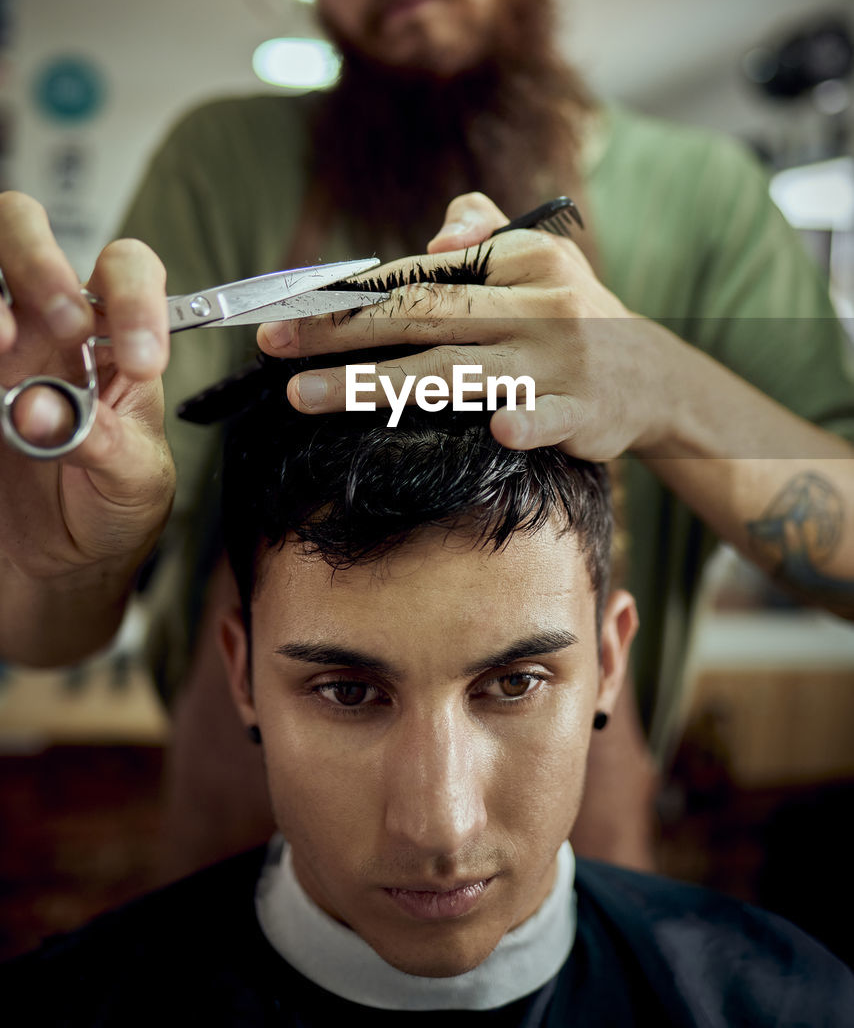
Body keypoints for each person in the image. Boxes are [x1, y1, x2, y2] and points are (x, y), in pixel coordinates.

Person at [0, 0, 853, 872]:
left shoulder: (705, 199)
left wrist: (656, 384)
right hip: (239, 875)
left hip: (574, 893)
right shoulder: (223, 165)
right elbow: (49, 633)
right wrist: (55, 548)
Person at [2, 344, 852, 1026]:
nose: (440, 825)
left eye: (515, 683)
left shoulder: (789, 1005)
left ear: (610, 662)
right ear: (243, 675)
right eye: (348, 692)